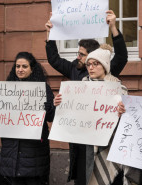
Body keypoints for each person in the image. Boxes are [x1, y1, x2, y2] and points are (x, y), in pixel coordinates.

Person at [45, 10, 128, 184]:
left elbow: (121, 56)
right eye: (87, 62)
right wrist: (60, 103)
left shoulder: (110, 77)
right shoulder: (74, 71)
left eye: (84, 55)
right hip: (81, 145)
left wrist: (113, 27)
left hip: (105, 146)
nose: (81, 59)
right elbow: (54, 59)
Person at [54, 44, 140, 185]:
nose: (91, 67)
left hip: (109, 151)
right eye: (88, 64)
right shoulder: (78, 88)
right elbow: (70, 116)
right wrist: (59, 103)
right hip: (83, 149)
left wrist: (123, 113)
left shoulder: (119, 89)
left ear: (105, 65)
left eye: (95, 64)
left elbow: (128, 125)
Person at [1, 52, 55, 185]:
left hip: (34, 152)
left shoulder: (42, 90)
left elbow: (51, 117)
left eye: (24, 66)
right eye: (17, 66)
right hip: (11, 151)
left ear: (32, 69)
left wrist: (49, 106)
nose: (20, 69)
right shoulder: (4, 89)